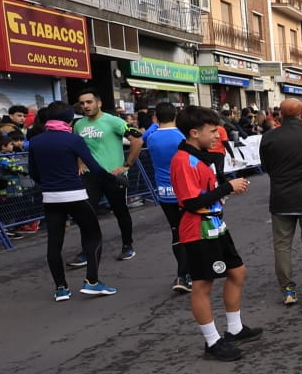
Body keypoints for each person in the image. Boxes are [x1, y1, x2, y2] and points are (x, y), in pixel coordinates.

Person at [171, 106, 260, 361]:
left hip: (215, 224)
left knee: (237, 272)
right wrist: (227, 188)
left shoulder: (201, 155)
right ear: (194, 132)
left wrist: (227, 189)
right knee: (202, 285)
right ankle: (212, 342)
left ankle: (234, 328)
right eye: (212, 131)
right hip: (197, 229)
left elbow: (207, 192)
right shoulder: (182, 160)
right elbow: (189, 202)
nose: (217, 136)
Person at [26, 103, 115, 301]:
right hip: (74, 194)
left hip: (50, 197)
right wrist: (115, 178)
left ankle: (61, 288)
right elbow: (95, 168)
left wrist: (49, 183)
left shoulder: (36, 141)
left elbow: (33, 172)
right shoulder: (74, 139)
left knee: (54, 243)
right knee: (93, 235)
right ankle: (92, 282)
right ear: (68, 120)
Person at [258, 97, 302, 307]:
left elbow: (266, 166)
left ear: (280, 114)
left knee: (282, 245)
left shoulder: (269, 137)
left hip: (281, 197)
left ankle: (288, 290)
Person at [73, 90, 141, 263]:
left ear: (99, 103)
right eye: (82, 103)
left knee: (120, 212)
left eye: (89, 102)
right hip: (90, 176)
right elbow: (78, 146)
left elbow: (137, 141)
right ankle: (88, 250)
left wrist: (126, 165)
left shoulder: (114, 121)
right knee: (86, 213)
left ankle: (128, 245)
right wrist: (80, 162)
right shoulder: (79, 125)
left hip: (112, 175)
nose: (85, 106)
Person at [143, 103, 192, 293]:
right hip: (182, 189)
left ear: (156, 116)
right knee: (189, 232)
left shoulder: (152, 137)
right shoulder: (181, 135)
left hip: (164, 192)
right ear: (176, 115)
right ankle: (184, 275)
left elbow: (143, 136)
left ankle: (183, 274)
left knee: (176, 232)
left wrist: (154, 124)